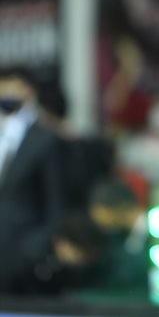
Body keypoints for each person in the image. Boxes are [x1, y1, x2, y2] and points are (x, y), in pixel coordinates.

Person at [0, 67, 65, 293]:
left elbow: (56, 202)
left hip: (23, 258)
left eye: (11, 87)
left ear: (28, 91)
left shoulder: (45, 139)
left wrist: (35, 249)